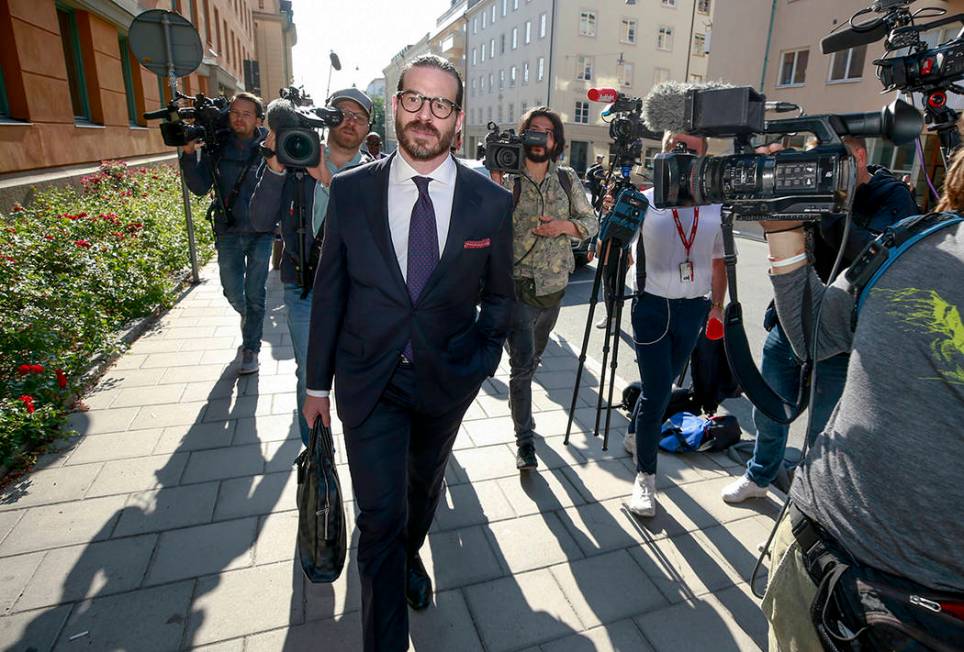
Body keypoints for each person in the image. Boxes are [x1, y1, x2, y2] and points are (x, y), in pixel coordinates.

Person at [301, 54, 514, 651]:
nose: (426, 116)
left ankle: (411, 553)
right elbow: (330, 292)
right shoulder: (350, 192)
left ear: (458, 118)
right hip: (371, 384)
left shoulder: (489, 204)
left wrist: (479, 365)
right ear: (395, 106)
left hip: (445, 384)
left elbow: (500, 301)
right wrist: (316, 385)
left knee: (420, 500)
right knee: (379, 523)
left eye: (440, 105)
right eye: (415, 100)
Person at [760, 145, 963, 651]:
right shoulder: (919, 239)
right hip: (814, 558)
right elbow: (814, 331)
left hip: (934, 616)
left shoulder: (893, 202)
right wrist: (781, 226)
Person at [721, 136, 919, 503]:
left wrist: (827, 208)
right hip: (791, 316)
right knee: (769, 407)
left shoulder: (892, 197)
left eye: (828, 166)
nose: (819, 174)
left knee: (825, 425)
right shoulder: (810, 186)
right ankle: (760, 474)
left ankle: (811, 494)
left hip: (844, 336)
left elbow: (878, 260)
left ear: (858, 158)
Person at [249, 88, 372, 446]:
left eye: (359, 117)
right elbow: (258, 220)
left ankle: (363, 452)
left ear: (367, 129)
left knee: (357, 377)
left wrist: (330, 179)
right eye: (341, 114)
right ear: (326, 118)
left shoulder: (375, 174)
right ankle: (318, 463)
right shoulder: (296, 157)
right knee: (310, 378)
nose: (350, 121)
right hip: (304, 291)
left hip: (358, 295)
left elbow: (377, 231)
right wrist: (275, 166)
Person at [619, 130, 727, 517]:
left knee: (663, 388)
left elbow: (717, 260)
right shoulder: (645, 201)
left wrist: (717, 306)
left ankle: (635, 432)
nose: (680, 155)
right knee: (658, 391)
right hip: (651, 307)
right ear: (662, 153)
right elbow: (614, 248)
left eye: (690, 149)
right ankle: (645, 479)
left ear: (705, 156)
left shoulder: (714, 206)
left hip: (693, 309)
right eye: (673, 148)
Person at [490, 107, 598, 471]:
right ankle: (525, 440)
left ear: (556, 141)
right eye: (533, 130)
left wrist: (563, 227)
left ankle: (522, 414)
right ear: (523, 136)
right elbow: (483, 224)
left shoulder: (567, 179)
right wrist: (493, 181)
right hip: (517, 289)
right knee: (522, 368)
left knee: (531, 361)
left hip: (554, 291)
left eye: (547, 132)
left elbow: (591, 222)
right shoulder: (507, 178)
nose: (540, 137)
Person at [180, 92, 271, 374]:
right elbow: (198, 186)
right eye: (234, 112)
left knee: (255, 293)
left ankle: (251, 349)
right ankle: (248, 317)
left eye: (246, 114)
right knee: (232, 290)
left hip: (261, 231)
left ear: (258, 119)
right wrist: (188, 154)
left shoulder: (270, 145)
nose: (238, 118)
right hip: (228, 229)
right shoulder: (217, 146)